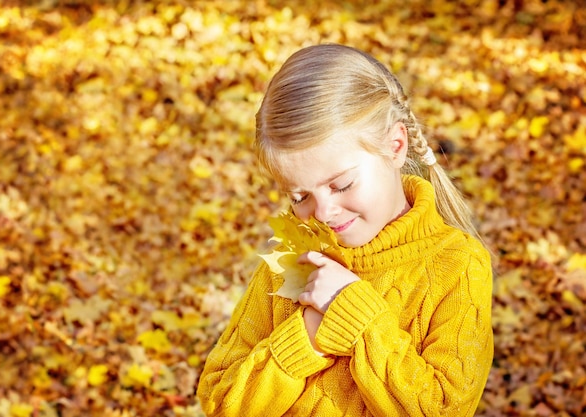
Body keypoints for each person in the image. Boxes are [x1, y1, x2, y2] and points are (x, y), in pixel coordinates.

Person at [197, 44, 493, 416]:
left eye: (341, 185)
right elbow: (220, 402)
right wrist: (305, 340)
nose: (323, 212)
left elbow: (443, 409)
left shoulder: (458, 265)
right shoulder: (293, 259)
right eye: (300, 195)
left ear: (396, 146)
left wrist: (353, 315)